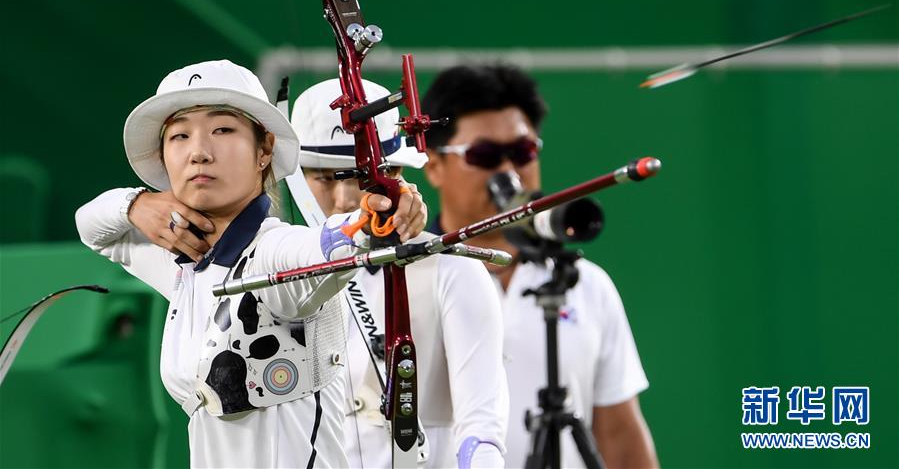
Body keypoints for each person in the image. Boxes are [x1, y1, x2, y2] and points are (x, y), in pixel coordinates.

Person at [75, 60, 426, 468]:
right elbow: (91, 225)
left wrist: (378, 216)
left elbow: (329, 245)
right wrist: (136, 204)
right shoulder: (182, 255)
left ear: (264, 151)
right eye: (180, 135)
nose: (199, 153)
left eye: (223, 130)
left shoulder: (276, 250)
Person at [421, 64, 659, 468]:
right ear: (433, 165)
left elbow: (619, 434)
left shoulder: (584, 283)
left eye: (523, 152)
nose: (508, 172)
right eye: (484, 155)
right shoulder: (407, 278)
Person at [287, 78, 509, 468]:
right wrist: (138, 205)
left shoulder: (452, 268)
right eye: (323, 178)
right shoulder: (278, 263)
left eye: (360, 177)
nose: (344, 200)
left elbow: (482, 426)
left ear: (393, 173)